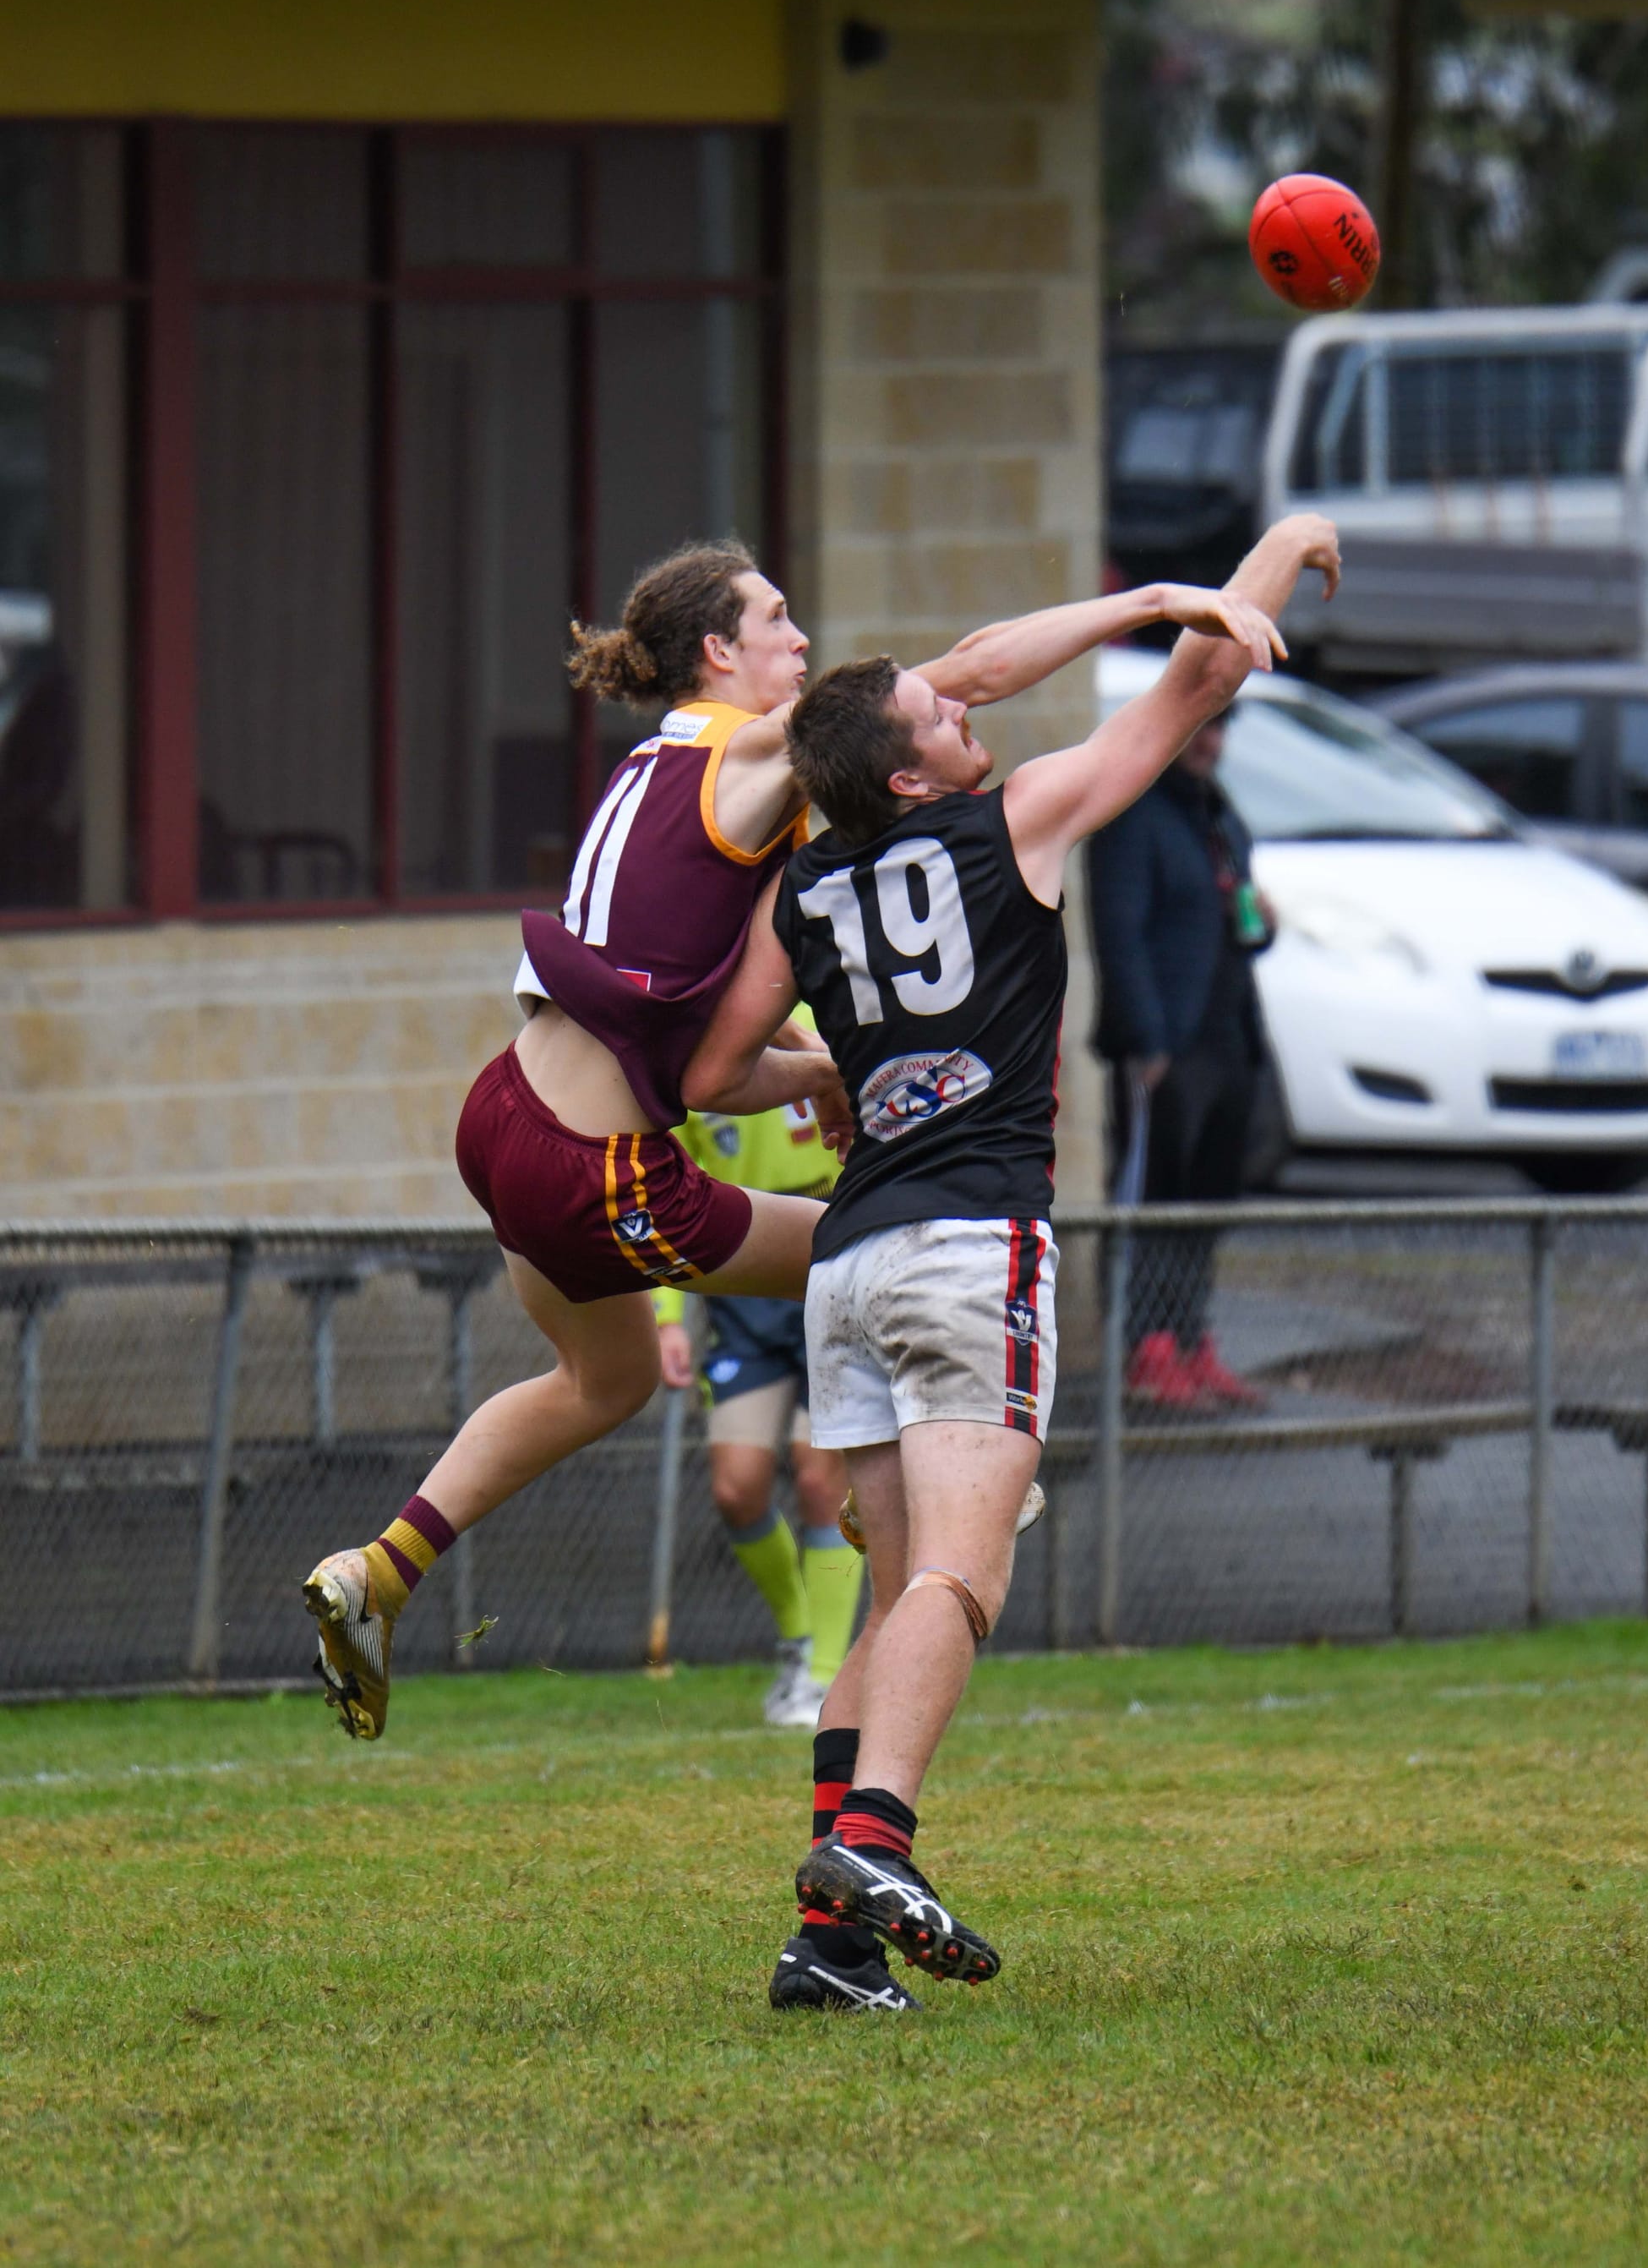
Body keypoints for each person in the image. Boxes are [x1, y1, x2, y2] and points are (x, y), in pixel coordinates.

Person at [302, 537, 1247, 1741]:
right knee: (882, 1239)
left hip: (504, 1115)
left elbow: (704, 1064)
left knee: (606, 1380)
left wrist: (814, 1069)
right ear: (719, 651)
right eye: (777, 621)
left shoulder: (653, 766)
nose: (800, 644)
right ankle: (923, 1480)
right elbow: (966, 676)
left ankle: (378, 1571)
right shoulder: (746, 744)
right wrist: (1154, 601)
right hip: (601, 1159)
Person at [684, 512, 1339, 2012]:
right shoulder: (1014, 820)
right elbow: (1195, 689)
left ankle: (829, 1945)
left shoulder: (805, 890)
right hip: (974, 1241)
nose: (965, 705)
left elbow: (717, 1070)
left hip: (847, 1261)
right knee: (964, 1584)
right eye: (938, 714)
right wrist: (1277, 550)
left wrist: (832, 1078)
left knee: (901, 1585)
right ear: (910, 773)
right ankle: (880, 1845)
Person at [651, 1030, 862, 1731]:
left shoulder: (820, 1015)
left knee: (817, 1473)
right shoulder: (695, 1047)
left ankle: (828, 1676)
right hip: (744, 1272)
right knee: (736, 1486)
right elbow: (670, 1184)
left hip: (831, 1257)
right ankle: (801, 1637)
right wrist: (668, 1315)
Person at [1087, 707, 1274, 1409]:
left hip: (1228, 1036)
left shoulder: (1221, 817)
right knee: (1153, 1195)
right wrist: (1144, 1039)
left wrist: (1262, 923)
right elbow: (1120, 935)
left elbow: (1241, 917)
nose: (1212, 744)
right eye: (1201, 728)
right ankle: (1147, 1345)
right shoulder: (1135, 816)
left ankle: (1193, 1337)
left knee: (1208, 1197)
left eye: (1222, 729)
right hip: (1167, 1045)